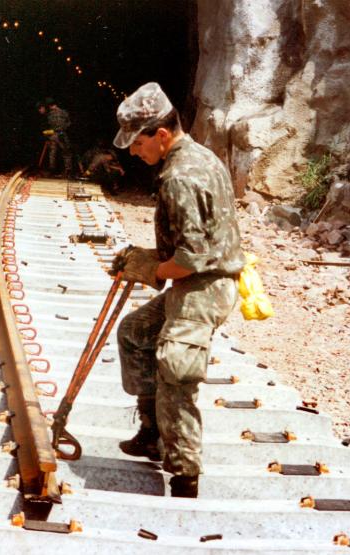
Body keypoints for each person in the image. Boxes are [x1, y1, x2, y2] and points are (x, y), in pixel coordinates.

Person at [110, 82, 245, 498]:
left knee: (176, 370)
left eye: (138, 143)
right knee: (135, 332)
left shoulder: (180, 177)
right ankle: (152, 433)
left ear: (162, 135)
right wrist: (148, 258)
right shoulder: (199, 156)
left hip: (204, 286)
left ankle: (185, 475)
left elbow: (191, 258)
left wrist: (150, 269)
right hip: (202, 278)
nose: (135, 152)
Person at [37, 98, 73, 177]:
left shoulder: (49, 114)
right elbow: (69, 123)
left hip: (52, 135)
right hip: (62, 134)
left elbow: (45, 122)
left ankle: (52, 170)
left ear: (49, 106)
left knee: (52, 153)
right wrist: (63, 128)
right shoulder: (64, 112)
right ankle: (68, 171)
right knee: (66, 153)